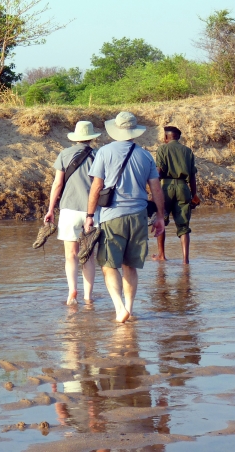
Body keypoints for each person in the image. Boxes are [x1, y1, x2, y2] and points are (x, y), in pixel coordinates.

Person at [84, 111, 165, 323]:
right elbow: (156, 189)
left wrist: (90, 215)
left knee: (109, 265)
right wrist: (160, 216)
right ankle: (130, 308)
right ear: (134, 132)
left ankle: (119, 308)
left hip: (112, 216)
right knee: (131, 265)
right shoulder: (145, 156)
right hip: (139, 216)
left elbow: (97, 187)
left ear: (116, 130)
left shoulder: (104, 152)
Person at [44, 120, 102, 306]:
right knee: (89, 255)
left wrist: (50, 209)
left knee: (71, 254)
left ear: (76, 137)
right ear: (91, 138)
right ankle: (88, 296)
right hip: (92, 212)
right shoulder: (98, 155)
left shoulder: (64, 154)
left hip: (69, 210)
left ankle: (72, 291)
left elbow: (57, 184)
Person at [153, 126, 197, 264]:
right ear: (178, 137)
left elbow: (159, 171)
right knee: (183, 226)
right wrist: (194, 195)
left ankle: (161, 255)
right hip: (183, 187)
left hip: (166, 187)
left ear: (166, 137)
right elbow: (192, 176)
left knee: (161, 220)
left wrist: (154, 190)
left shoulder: (162, 149)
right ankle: (185, 260)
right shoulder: (188, 151)